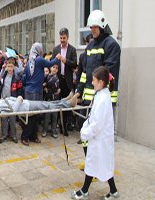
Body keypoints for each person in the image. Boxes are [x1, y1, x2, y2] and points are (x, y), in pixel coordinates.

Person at [76, 10, 121, 169]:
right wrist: (78, 92)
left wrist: (97, 96)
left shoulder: (112, 45)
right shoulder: (90, 46)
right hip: (88, 99)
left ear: (102, 26)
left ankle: (96, 166)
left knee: (98, 137)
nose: (92, 30)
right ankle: (90, 162)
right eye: (91, 27)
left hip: (103, 100)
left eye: (95, 27)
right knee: (85, 133)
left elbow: (107, 73)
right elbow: (84, 73)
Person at [71, 66, 119, 200]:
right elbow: (93, 117)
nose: (92, 83)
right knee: (102, 164)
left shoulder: (103, 99)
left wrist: (85, 133)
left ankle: (84, 191)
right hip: (99, 139)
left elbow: (97, 124)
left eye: (94, 80)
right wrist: (85, 127)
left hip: (99, 139)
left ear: (101, 82)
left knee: (93, 163)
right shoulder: (101, 95)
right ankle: (114, 192)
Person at [21, 42, 60, 146]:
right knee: (32, 115)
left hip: (32, 90)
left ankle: (33, 136)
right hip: (34, 91)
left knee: (35, 114)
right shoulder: (38, 59)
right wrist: (57, 57)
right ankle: (25, 136)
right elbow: (51, 64)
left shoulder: (30, 60)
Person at [52, 28, 77, 136]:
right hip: (58, 80)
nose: (62, 40)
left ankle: (64, 126)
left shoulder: (72, 49)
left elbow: (75, 64)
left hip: (67, 80)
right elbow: (52, 63)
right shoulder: (55, 49)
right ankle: (57, 125)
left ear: (68, 37)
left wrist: (65, 60)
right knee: (57, 103)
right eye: (61, 38)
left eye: (64, 38)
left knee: (66, 104)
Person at [0, 92, 78, 114]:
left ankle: (65, 100)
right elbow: (13, 112)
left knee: (46, 103)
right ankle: (69, 104)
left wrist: (17, 99)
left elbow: (7, 99)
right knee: (47, 106)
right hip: (26, 106)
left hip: (25, 103)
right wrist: (18, 99)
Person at [0, 63, 23, 144]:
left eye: (11, 66)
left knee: (12, 118)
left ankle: (13, 135)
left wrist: (18, 97)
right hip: (3, 100)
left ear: (14, 67)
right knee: (4, 118)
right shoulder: (3, 76)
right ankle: (4, 135)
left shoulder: (16, 78)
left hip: (12, 101)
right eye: (8, 66)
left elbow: (19, 89)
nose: (9, 68)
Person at [42, 64, 60, 138]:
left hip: (56, 99)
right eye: (53, 67)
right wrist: (44, 88)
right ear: (50, 68)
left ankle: (53, 130)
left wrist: (59, 90)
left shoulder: (59, 78)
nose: (55, 69)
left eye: (56, 68)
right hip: (48, 98)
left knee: (55, 115)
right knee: (47, 115)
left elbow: (60, 87)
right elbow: (43, 84)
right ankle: (45, 130)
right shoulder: (47, 76)